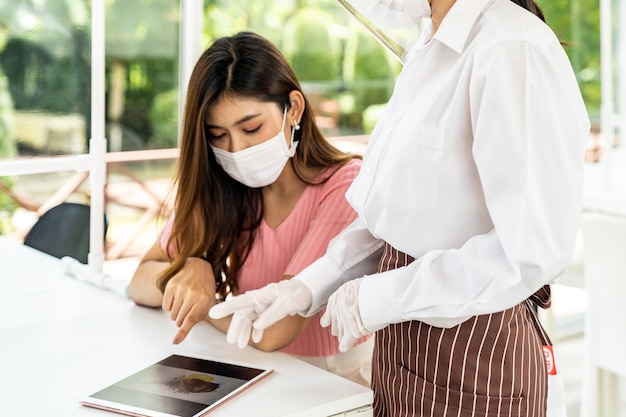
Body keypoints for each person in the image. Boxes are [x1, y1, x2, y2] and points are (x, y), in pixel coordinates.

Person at [210, 1, 590, 416]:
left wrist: (382, 296)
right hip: (402, 355)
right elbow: (392, 221)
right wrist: (303, 288)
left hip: (473, 357)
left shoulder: (510, 46)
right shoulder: (430, 47)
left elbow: (528, 251)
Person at [127, 31, 373, 386]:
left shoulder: (343, 185)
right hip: (250, 365)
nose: (237, 149)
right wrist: (191, 268)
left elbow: (274, 330)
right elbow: (139, 282)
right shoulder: (220, 188)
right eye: (218, 135)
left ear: (295, 109)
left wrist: (205, 299)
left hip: (333, 379)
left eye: (252, 128)